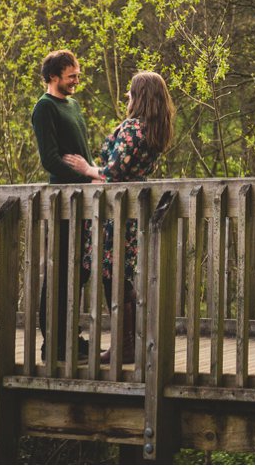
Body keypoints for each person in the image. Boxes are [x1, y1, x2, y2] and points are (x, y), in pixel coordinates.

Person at [61, 70, 176, 364]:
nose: (127, 95)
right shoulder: (153, 129)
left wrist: (87, 169)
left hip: (115, 211)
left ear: (140, 96)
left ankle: (124, 346)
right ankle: (127, 344)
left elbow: (113, 171)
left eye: (131, 91)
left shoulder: (133, 128)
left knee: (113, 274)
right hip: (129, 209)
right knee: (118, 273)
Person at [31, 49, 100, 365]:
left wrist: (95, 173)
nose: (76, 80)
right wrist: (84, 175)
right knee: (60, 270)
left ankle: (71, 338)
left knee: (80, 269)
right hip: (63, 201)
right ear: (53, 77)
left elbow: (81, 152)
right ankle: (53, 343)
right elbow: (50, 159)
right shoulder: (44, 108)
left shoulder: (73, 105)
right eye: (71, 75)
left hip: (85, 200)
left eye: (77, 74)